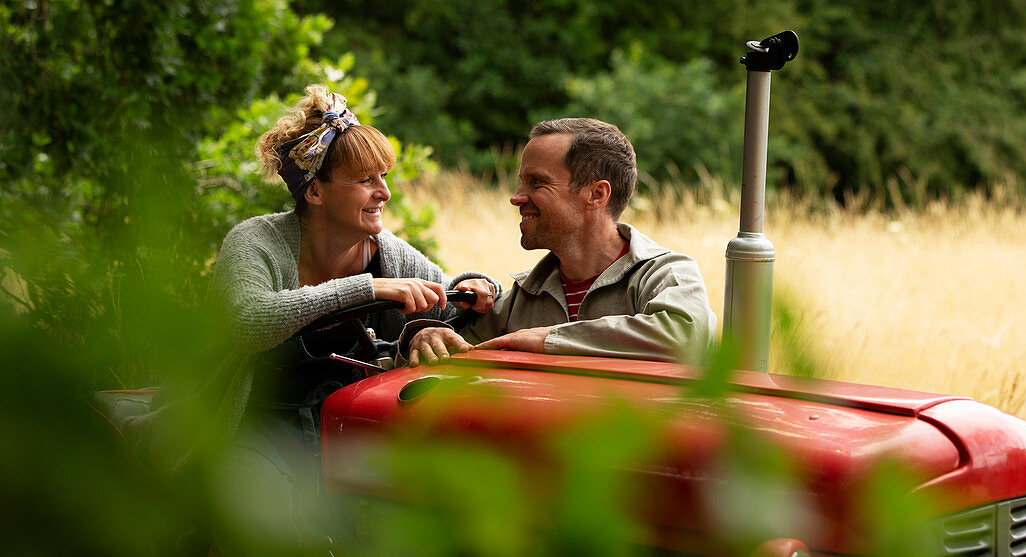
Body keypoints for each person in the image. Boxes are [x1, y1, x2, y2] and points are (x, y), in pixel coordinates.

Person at [130, 86, 498, 552]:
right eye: (366, 179)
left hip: (341, 428)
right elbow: (249, 323)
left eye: (384, 176)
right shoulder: (256, 241)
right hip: (246, 424)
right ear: (316, 190)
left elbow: (449, 299)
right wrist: (364, 289)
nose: (384, 192)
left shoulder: (390, 254)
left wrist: (471, 292)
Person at [401, 117, 715, 368]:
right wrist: (425, 337)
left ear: (597, 194)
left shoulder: (665, 274)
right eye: (521, 181)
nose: (516, 197)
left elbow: (684, 338)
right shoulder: (523, 297)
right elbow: (446, 354)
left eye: (537, 182)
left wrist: (547, 340)